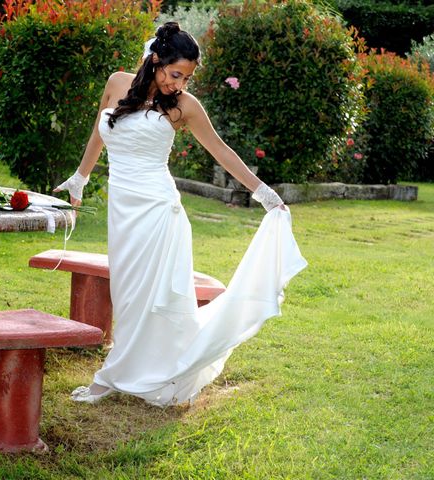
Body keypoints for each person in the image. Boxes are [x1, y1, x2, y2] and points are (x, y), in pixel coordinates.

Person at [54, 22, 307, 406]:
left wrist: (264, 194)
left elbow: (221, 151)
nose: (180, 84)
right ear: (155, 60)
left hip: (159, 212)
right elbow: (98, 131)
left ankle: (117, 376)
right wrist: (80, 177)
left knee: (150, 297)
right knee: (125, 294)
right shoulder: (117, 82)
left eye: (187, 77)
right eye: (175, 74)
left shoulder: (185, 107)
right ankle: (124, 370)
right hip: (123, 212)